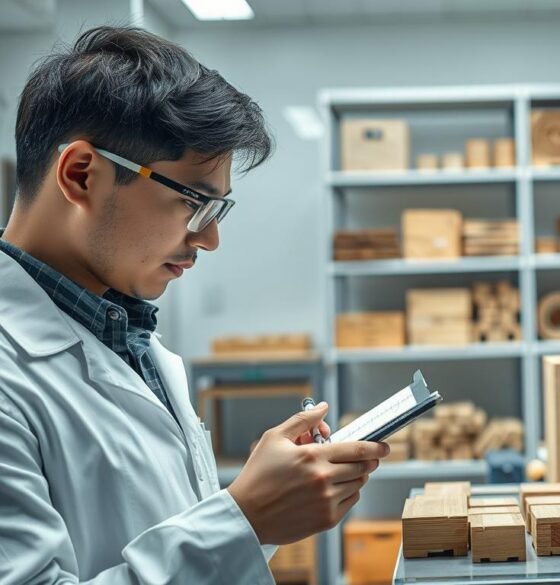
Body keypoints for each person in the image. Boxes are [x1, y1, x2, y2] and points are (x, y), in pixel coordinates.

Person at [0, 26, 387, 584]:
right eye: (193, 202)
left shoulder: (128, 336)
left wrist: (261, 507)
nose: (208, 240)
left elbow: (168, 539)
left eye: (215, 211)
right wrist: (245, 519)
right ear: (80, 174)